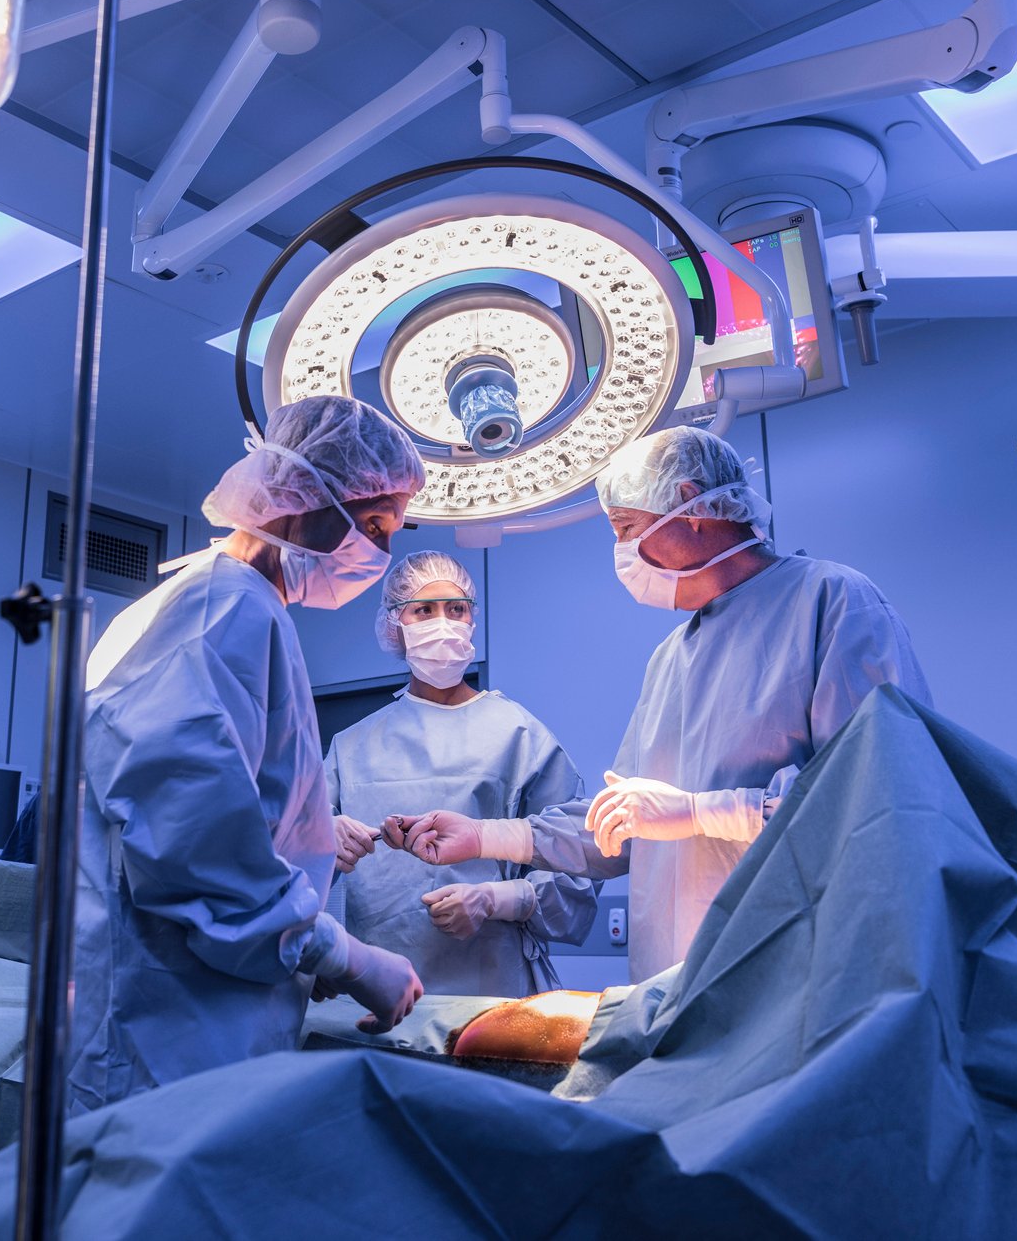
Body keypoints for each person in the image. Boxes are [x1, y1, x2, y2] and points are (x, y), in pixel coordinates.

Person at [385, 425, 929, 983]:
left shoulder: (832, 602)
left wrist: (701, 813)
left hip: (796, 977)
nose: (621, 553)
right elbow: (619, 826)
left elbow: (881, 799)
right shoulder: (672, 657)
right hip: (671, 987)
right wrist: (485, 837)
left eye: (626, 527)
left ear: (691, 503)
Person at [67, 395, 429, 1113]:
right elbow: (191, 843)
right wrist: (341, 955)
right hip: (169, 1035)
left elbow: (225, 803)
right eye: (375, 524)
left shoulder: (233, 607)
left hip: (201, 1010)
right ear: (302, 503)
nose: (382, 554)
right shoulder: (221, 611)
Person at [325, 551, 597, 997]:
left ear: (473, 619)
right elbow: (283, 869)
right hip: (379, 992)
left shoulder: (519, 734)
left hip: (493, 991)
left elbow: (576, 871)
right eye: (424, 610)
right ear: (396, 624)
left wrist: (497, 899)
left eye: (456, 608)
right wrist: (320, 838)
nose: (443, 622)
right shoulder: (350, 747)